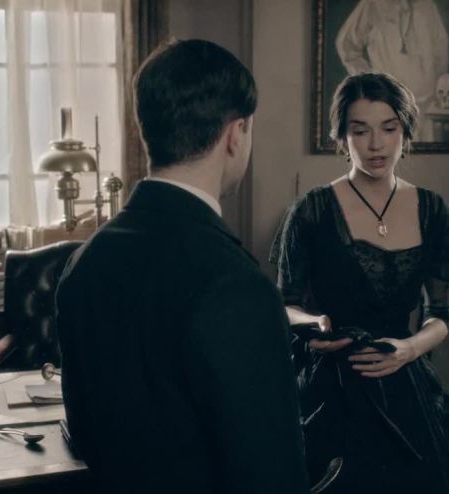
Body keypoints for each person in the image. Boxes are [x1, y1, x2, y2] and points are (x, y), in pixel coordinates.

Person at [56, 39, 309, 493]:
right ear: (236, 133)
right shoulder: (236, 283)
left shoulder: (83, 263)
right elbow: (272, 476)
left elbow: (85, 437)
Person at [272, 72, 449, 493]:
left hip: (404, 376)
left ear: (405, 132)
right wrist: (315, 323)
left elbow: (441, 315)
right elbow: (283, 304)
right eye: (360, 131)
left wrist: (410, 349)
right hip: (334, 382)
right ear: (342, 137)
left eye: (388, 128)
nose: (376, 144)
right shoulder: (312, 210)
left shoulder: (434, 210)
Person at [336, 0, 449, 140]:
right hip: (388, 106)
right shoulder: (372, 5)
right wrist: (370, 82)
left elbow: (441, 51)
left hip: (427, 111)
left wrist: (439, 89)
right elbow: (346, 45)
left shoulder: (428, 6)